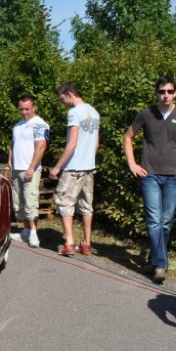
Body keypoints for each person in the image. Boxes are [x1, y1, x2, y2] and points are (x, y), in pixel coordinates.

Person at [123, 76, 176, 284]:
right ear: (156, 93)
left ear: (175, 93)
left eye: (169, 91)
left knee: (166, 222)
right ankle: (160, 264)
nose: (165, 95)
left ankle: (155, 256)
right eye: (161, 91)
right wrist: (132, 164)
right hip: (149, 174)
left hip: (174, 176)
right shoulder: (146, 114)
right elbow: (128, 137)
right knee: (154, 220)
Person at [49, 82, 100, 257]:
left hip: (73, 168)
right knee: (86, 206)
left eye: (62, 99)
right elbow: (96, 143)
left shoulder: (74, 113)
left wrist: (57, 167)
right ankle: (86, 243)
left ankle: (69, 243)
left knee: (65, 203)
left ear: (69, 94)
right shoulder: (94, 112)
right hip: (89, 167)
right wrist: (88, 159)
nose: (63, 103)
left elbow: (72, 142)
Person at [8, 95, 49, 247]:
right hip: (17, 169)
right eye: (21, 109)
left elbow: (41, 147)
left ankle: (33, 234)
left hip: (30, 169)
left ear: (34, 108)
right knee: (19, 203)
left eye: (27, 109)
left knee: (30, 202)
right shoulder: (17, 126)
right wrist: (10, 160)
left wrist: (32, 167)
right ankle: (25, 230)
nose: (24, 112)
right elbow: (12, 144)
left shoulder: (40, 124)